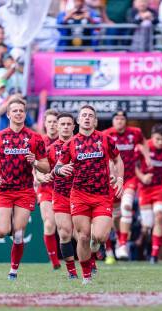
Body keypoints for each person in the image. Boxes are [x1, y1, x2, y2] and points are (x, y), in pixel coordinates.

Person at [54, 105, 124, 284]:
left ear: (95, 121)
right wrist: (62, 170)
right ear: (78, 120)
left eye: (90, 116)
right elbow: (57, 168)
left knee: (99, 236)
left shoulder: (105, 139)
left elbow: (118, 159)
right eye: (83, 115)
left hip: (102, 195)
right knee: (83, 236)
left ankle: (96, 242)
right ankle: (86, 276)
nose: (86, 118)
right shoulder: (70, 144)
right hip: (79, 195)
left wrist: (120, 178)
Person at [0, 98, 50, 280]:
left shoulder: (35, 138)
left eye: (21, 110)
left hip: (25, 190)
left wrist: (34, 161)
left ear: (25, 114)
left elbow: (46, 166)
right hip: (4, 189)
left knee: (19, 232)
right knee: (2, 232)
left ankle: (13, 270)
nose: (18, 113)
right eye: (15, 111)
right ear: (8, 114)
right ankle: (10, 229)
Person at [103, 110, 148, 260]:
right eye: (117, 118)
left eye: (122, 119)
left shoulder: (135, 133)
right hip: (111, 180)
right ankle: (111, 248)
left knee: (127, 206)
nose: (120, 121)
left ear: (126, 121)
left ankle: (122, 244)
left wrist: (146, 160)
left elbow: (144, 144)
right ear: (113, 121)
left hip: (129, 178)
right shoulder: (106, 135)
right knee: (111, 217)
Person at [46, 112, 79, 279]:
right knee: (65, 232)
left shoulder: (83, 145)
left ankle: (90, 262)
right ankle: (71, 272)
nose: (65, 127)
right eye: (62, 124)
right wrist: (43, 176)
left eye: (68, 124)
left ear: (74, 126)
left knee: (83, 234)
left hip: (81, 194)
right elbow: (42, 172)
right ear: (57, 127)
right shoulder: (51, 150)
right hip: (60, 194)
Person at [136, 123, 162, 264]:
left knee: (159, 217)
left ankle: (154, 255)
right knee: (147, 225)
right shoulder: (143, 147)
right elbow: (133, 166)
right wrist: (142, 177)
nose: (160, 142)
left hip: (161, 188)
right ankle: (146, 245)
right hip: (145, 189)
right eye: (157, 139)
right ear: (152, 137)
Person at [35, 109, 61, 271]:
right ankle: (55, 262)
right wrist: (38, 177)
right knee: (49, 223)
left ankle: (90, 258)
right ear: (45, 124)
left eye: (55, 122)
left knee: (72, 229)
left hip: (65, 189)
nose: (52, 125)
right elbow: (35, 165)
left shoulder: (68, 141)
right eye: (49, 121)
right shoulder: (39, 142)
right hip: (45, 188)